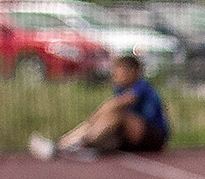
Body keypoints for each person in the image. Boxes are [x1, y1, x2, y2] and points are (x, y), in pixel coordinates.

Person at [29, 54, 170, 161]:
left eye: (118, 71)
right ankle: (62, 144)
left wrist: (93, 119)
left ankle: (77, 143)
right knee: (108, 124)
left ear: (132, 72)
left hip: (153, 137)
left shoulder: (142, 87)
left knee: (116, 114)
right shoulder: (121, 89)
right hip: (130, 136)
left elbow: (114, 105)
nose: (115, 75)